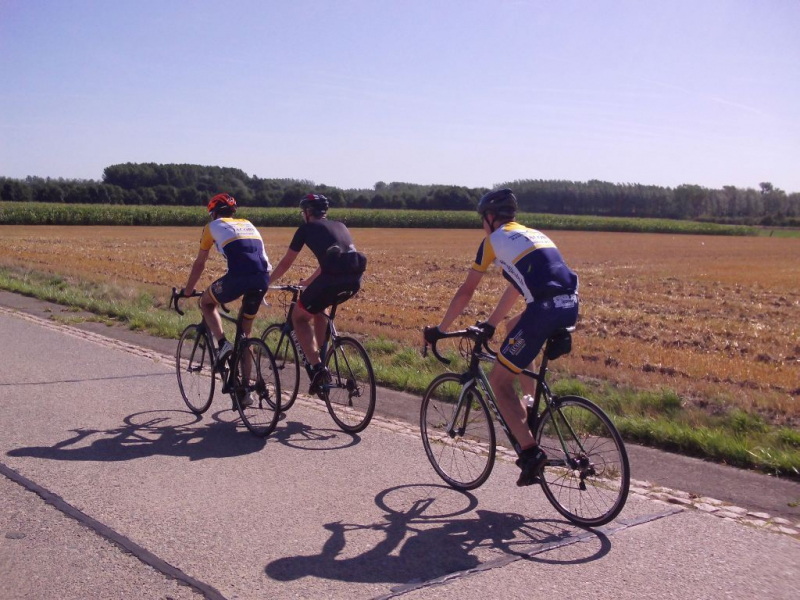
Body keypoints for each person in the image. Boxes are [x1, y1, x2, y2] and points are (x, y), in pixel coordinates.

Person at [424, 188, 578, 486]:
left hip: (544, 309)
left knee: (497, 381)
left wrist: (441, 329)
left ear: (490, 218)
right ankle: (530, 403)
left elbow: (467, 290)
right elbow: (518, 287)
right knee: (512, 329)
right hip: (570, 304)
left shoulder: (493, 241)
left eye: (483, 219)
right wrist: (493, 323)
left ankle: (531, 453)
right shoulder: (531, 234)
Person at [269, 193, 366, 393]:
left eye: (303, 211)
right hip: (354, 280)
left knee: (299, 317)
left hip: (331, 281)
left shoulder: (306, 229)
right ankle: (321, 356)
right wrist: (309, 282)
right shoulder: (340, 225)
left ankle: (317, 367)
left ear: (308, 212)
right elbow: (333, 260)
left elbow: (286, 262)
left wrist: (267, 282)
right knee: (320, 308)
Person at [181, 193, 272, 403]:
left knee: (206, 301)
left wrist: (188, 290)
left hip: (238, 278)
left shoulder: (211, 227)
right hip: (262, 278)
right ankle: (245, 391)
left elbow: (200, 263)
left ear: (214, 212)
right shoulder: (248, 223)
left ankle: (222, 343)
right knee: (245, 333)